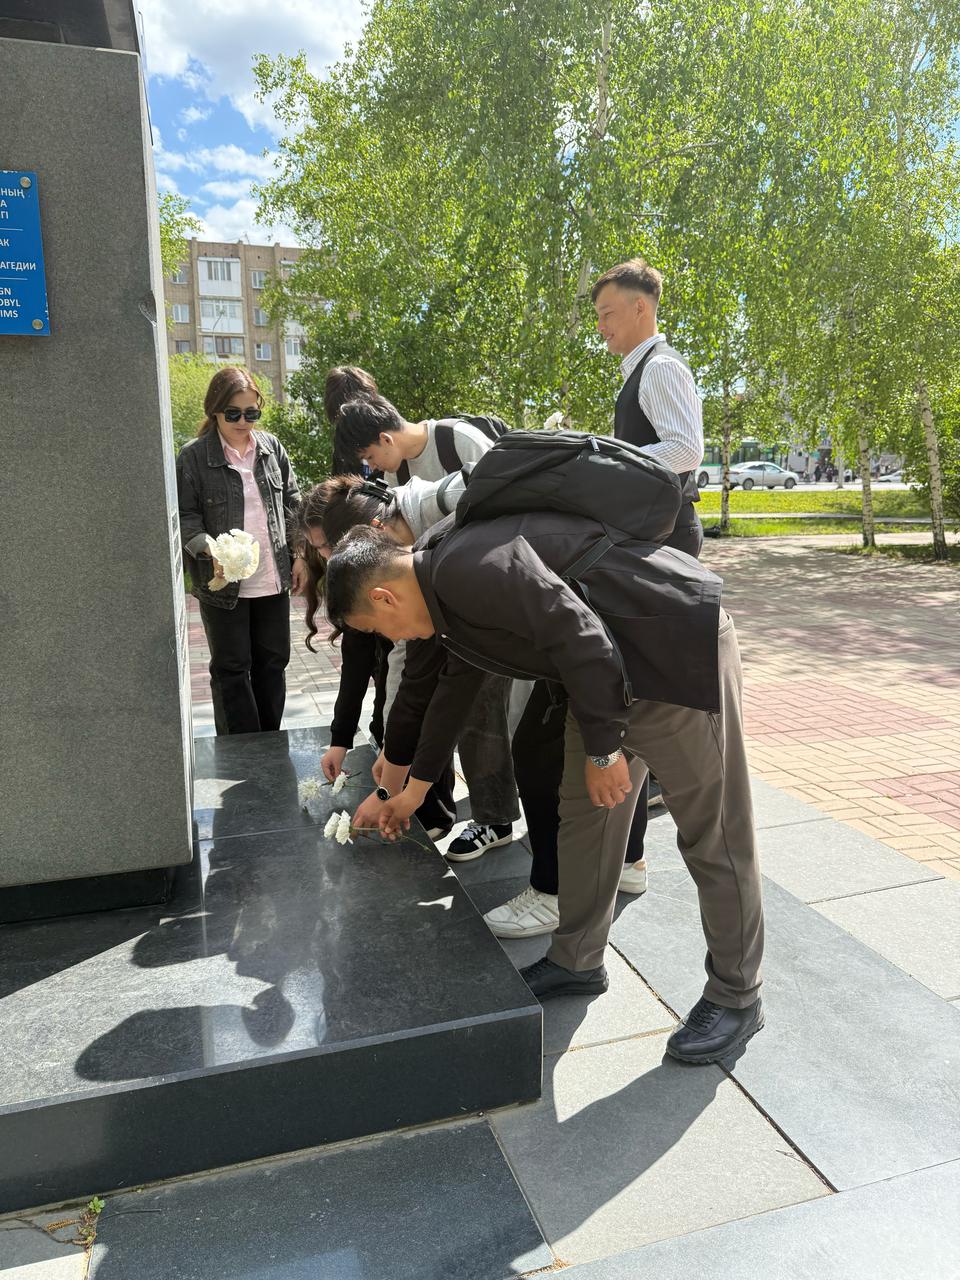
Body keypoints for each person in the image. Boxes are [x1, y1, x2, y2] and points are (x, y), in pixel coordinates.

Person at [325, 521, 764, 1066]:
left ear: (383, 597)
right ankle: (577, 960)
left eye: (378, 629)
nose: (394, 639)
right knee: (585, 823)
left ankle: (737, 995)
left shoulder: (474, 567)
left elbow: (582, 637)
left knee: (714, 834)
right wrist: (408, 790)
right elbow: (445, 689)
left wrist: (604, 752)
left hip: (670, 656)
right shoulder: (436, 587)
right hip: (598, 679)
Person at [484, 256, 707, 939]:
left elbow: (685, 450)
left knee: (594, 720)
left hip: (660, 552)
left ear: (641, 307)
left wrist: (600, 460)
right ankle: (628, 860)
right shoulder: (640, 372)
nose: (602, 326)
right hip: (647, 551)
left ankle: (568, 886)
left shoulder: (660, 368)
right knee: (625, 712)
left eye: (609, 313)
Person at [335, 394, 521, 860]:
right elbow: (419, 679)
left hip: (510, 605)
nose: (373, 467)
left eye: (370, 456)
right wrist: (394, 770)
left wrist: (406, 784)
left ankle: (499, 821)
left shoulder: (457, 448)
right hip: (460, 610)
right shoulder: (411, 540)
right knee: (452, 699)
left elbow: (510, 502)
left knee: (498, 725)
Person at [177, 366, 303, 735]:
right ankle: (240, 751)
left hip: (271, 578)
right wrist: (208, 548)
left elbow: (294, 505)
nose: (243, 422)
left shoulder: (271, 448)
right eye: (233, 414)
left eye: (252, 413)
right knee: (232, 669)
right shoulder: (194, 457)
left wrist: (300, 556)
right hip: (222, 582)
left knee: (273, 663)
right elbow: (185, 515)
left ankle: (269, 742)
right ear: (214, 410)